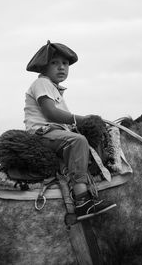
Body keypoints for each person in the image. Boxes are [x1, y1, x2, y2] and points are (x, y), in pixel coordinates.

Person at [24, 40, 116, 220]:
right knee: (78, 141)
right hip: (41, 133)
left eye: (65, 64)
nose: (61, 68)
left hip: (53, 132)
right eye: (55, 63)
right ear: (44, 66)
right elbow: (51, 113)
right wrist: (82, 120)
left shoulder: (53, 88)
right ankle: (82, 200)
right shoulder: (41, 83)